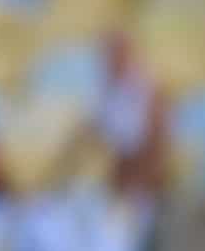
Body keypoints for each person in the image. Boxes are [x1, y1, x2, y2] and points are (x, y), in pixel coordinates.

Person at [55, 31, 170, 202]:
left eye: (117, 53)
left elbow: (154, 138)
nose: (112, 60)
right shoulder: (103, 89)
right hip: (114, 170)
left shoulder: (146, 89)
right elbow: (93, 127)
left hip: (141, 172)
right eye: (107, 55)